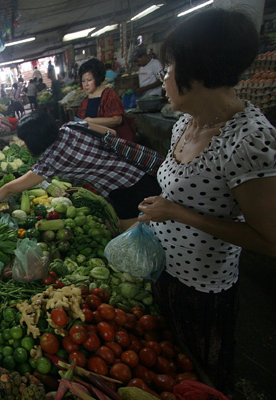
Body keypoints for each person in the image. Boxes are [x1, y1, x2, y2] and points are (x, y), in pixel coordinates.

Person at [136, 9, 276, 395]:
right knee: (172, 373)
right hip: (165, 273)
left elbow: (269, 240)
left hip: (202, 290)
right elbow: (175, 193)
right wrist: (146, 220)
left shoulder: (248, 141)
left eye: (169, 68)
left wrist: (178, 213)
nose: (163, 79)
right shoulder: (185, 121)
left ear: (197, 73)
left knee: (205, 380)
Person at [0, 112, 160, 230]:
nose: (24, 145)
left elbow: (10, 189)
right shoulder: (72, 126)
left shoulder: (51, 161)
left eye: (26, 141)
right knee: (152, 226)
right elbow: (113, 134)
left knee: (135, 236)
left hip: (125, 190)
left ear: (35, 141)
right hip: (140, 172)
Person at [77, 58, 136, 142]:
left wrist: (90, 121)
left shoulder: (108, 95)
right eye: (83, 81)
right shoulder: (85, 101)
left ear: (97, 79)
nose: (86, 84)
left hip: (112, 142)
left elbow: (117, 120)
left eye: (89, 80)